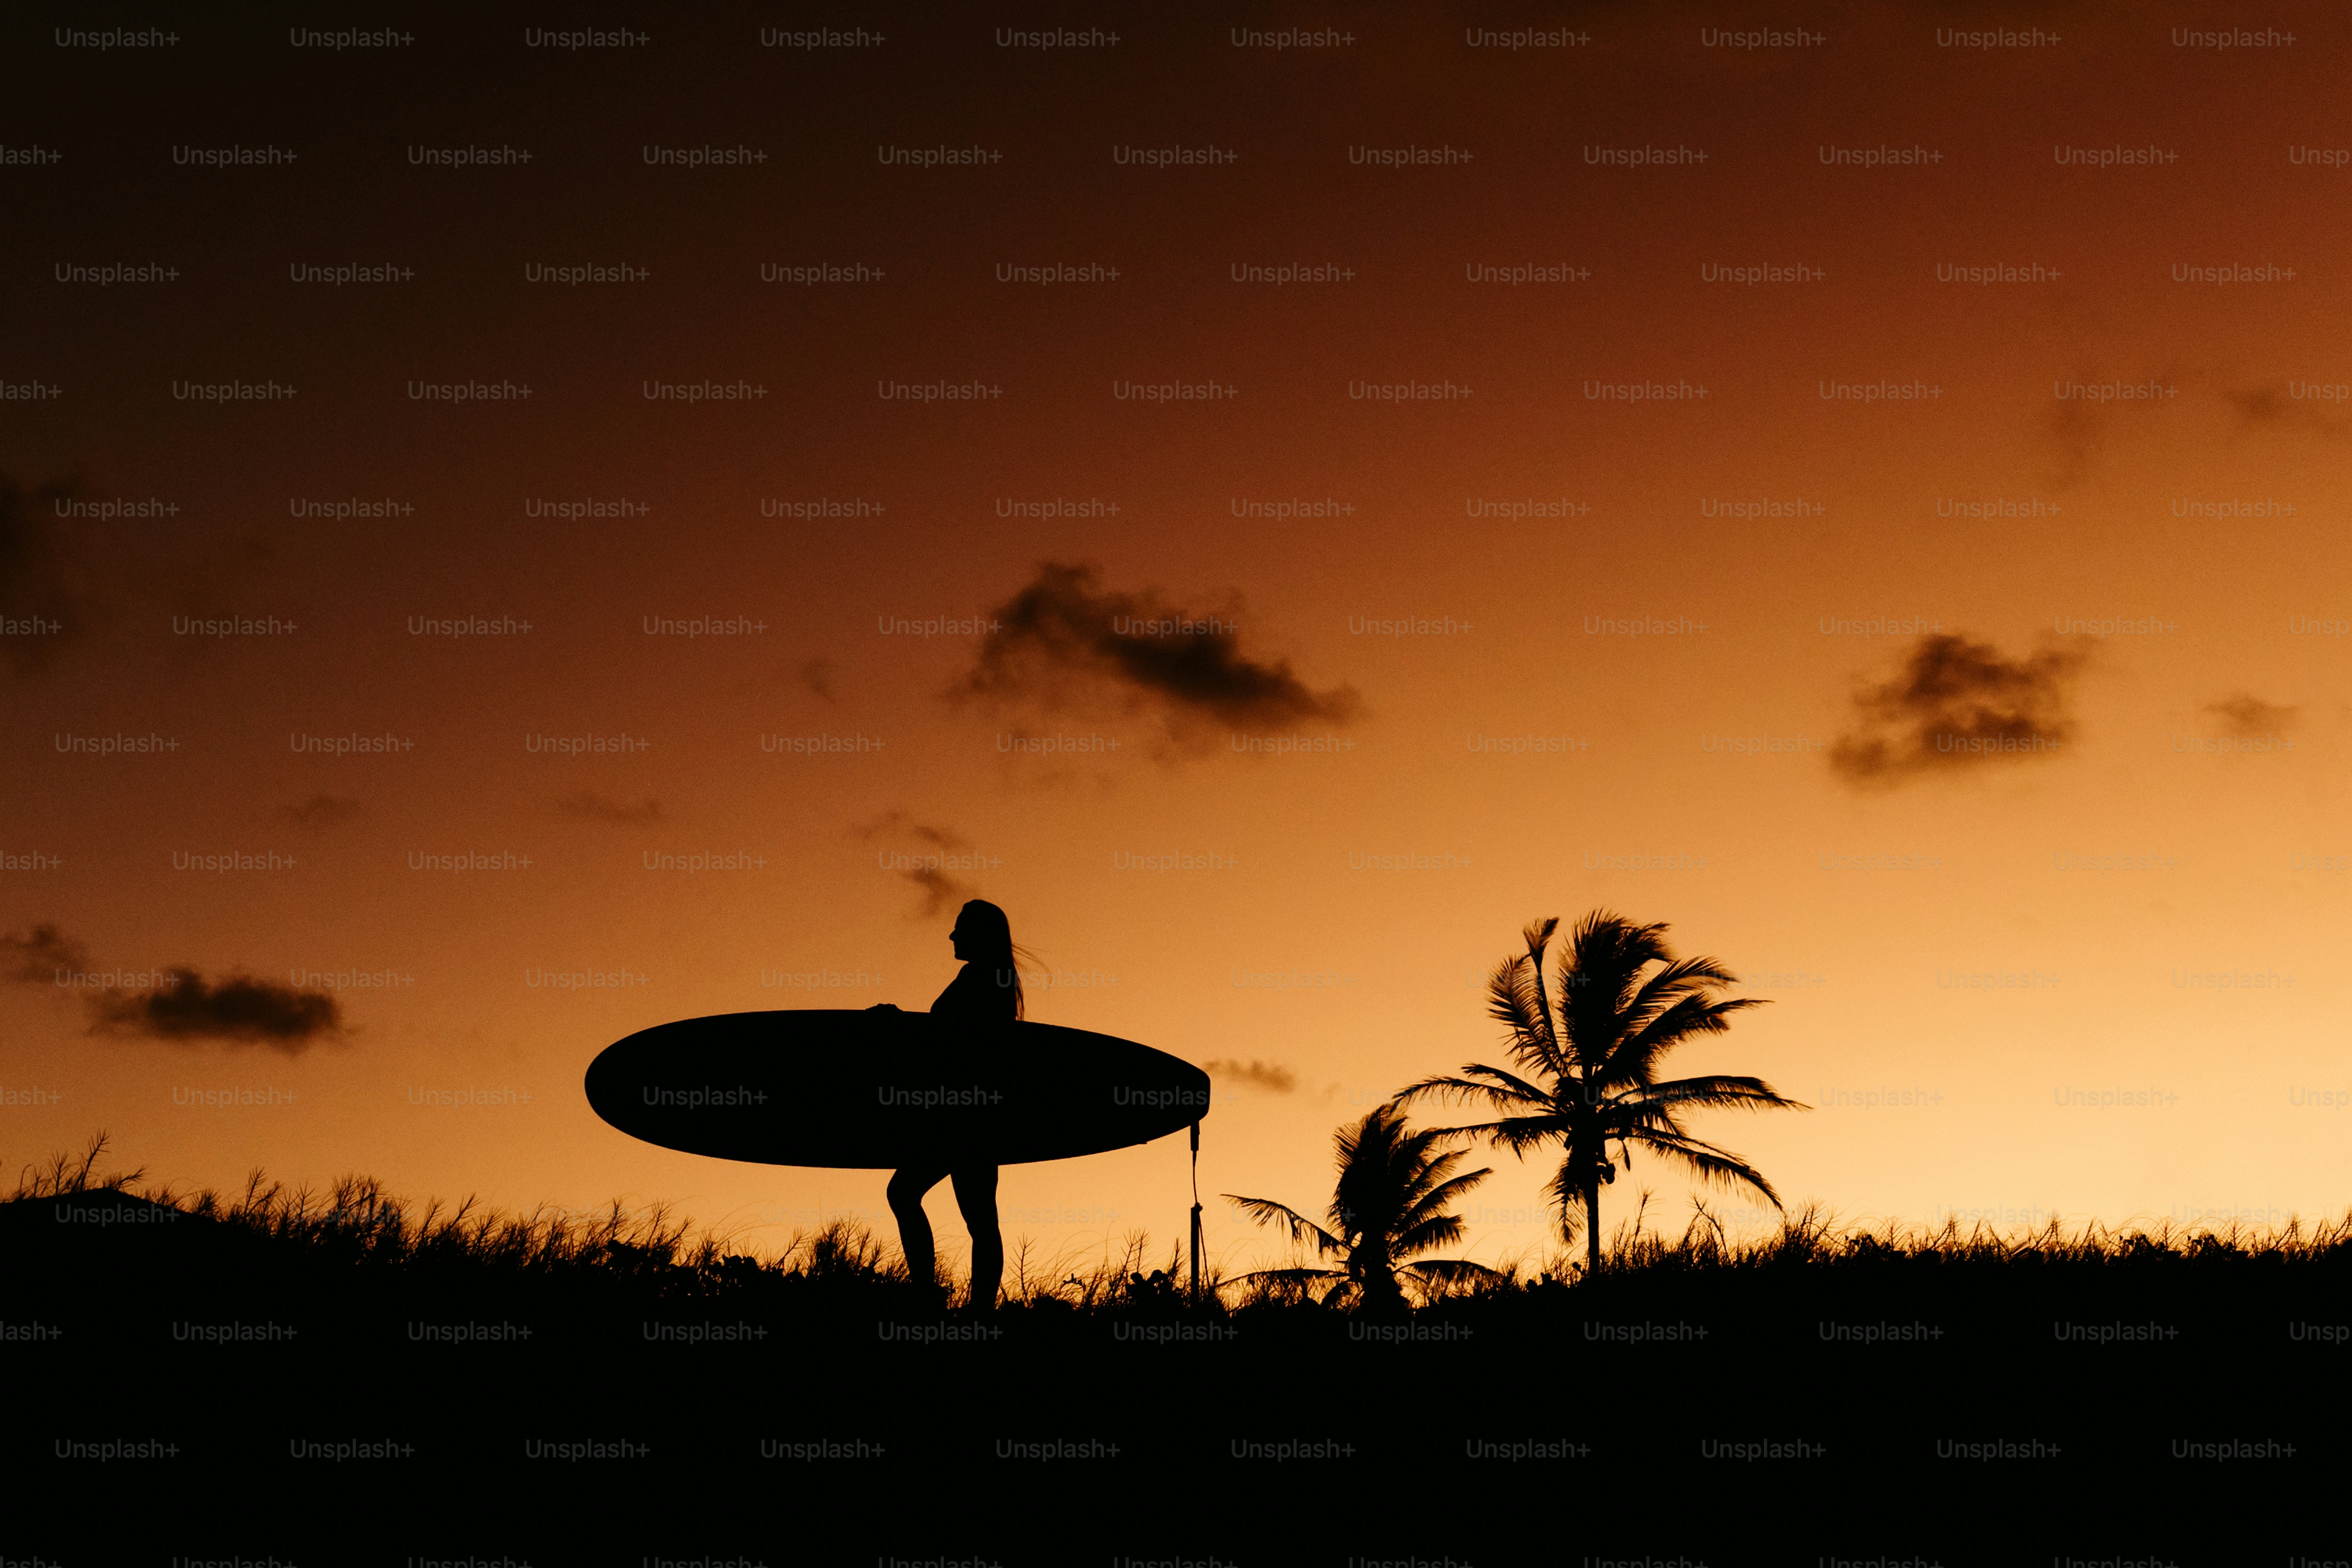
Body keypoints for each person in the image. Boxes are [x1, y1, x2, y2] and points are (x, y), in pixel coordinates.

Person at [871, 899, 1023, 1311]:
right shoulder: (995, 978)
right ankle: (969, 1310)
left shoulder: (981, 977)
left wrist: (899, 1022)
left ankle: (937, 1300)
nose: (953, 935)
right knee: (975, 1217)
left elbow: (953, 1039)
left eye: (960, 928)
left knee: (915, 1196)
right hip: (970, 1114)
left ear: (978, 933)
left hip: (964, 1116)